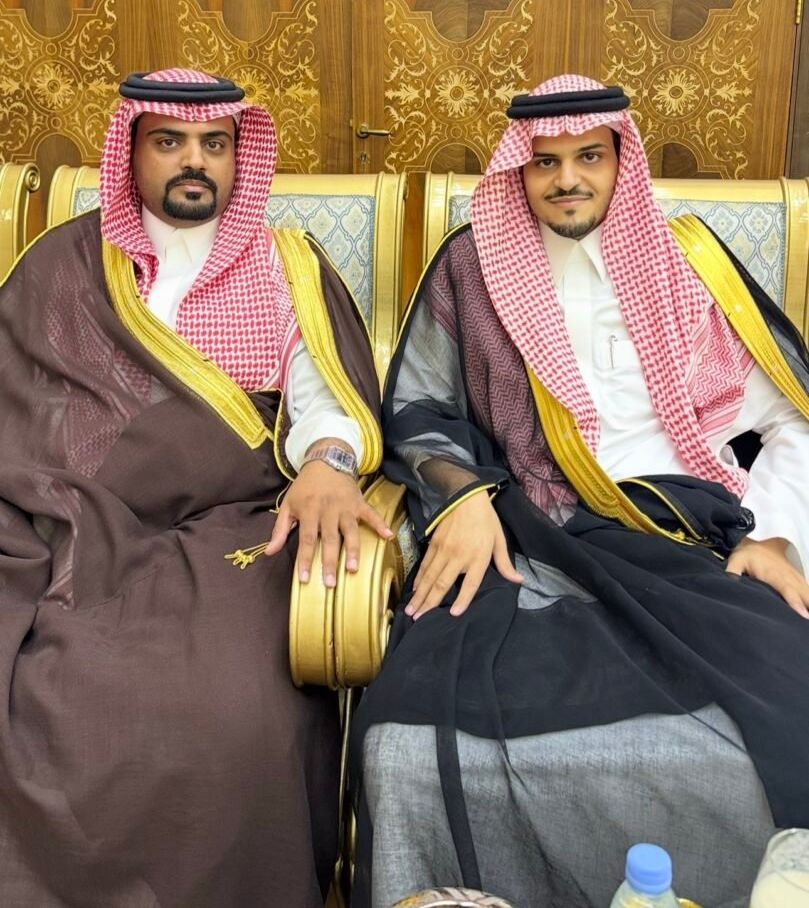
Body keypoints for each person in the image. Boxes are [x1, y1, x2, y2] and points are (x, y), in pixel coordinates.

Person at [351, 75, 809, 908]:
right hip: (527, 526)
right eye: (545, 162)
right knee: (403, 738)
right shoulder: (474, 267)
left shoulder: (685, 264)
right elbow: (419, 407)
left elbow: (791, 418)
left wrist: (773, 535)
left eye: (588, 157)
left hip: (685, 531)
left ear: (619, 161)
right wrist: (462, 499)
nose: (567, 178)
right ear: (517, 171)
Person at [0, 68, 390, 907]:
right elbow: (20, 400)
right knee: (32, 682)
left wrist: (327, 462)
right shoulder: (64, 262)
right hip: (62, 514)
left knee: (231, 710)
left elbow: (327, 399)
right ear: (130, 152)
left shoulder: (286, 263)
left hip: (233, 518)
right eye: (169, 142)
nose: (194, 161)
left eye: (214, 144)